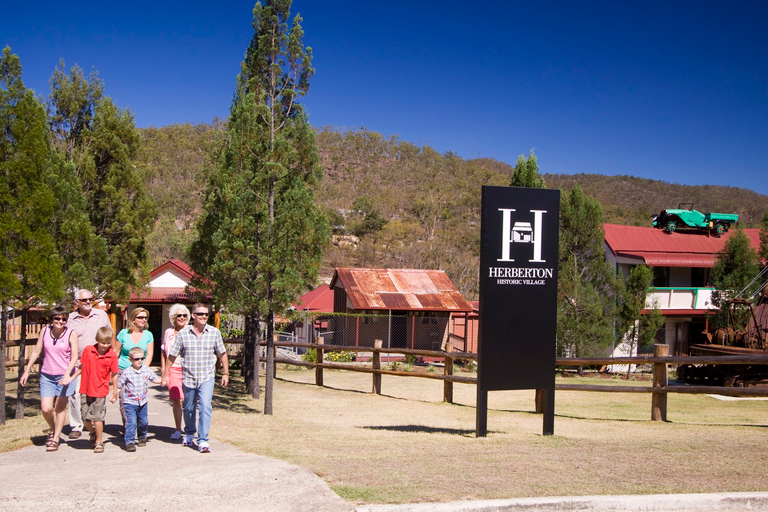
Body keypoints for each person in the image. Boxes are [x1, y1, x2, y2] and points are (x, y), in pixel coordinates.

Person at [161, 303, 228, 453]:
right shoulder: (184, 334)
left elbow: (222, 353)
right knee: (188, 408)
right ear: (194, 316)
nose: (204, 316)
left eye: (206, 314)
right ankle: (190, 432)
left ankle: (203, 440)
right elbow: (172, 355)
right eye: (200, 314)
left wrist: (225, 373)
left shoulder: (214, 332)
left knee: (205, 406)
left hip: (207, 377)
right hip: (189, 377)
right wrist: (165, 373)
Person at [19, 306, 79, 452]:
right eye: (57, 318)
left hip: (65, 375)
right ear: (52, 319)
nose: (60, 321)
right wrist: (26, 371)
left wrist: (67, 373)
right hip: (47, 374)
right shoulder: (45, 331)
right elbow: (36, 351)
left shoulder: (71, 333)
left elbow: (75, 356)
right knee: (46, 409)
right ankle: (54, 429)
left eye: (64, 319)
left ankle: (56, 438)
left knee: (59, 407)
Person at [65, 289, 112, 440]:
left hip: (99, 362)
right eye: (84, 300)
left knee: (97, 394)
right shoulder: (70, 318)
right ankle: (76, 426)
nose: (87, 302)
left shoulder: (101, 315)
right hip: (77, 361)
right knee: (75, 394)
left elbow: (110, 336)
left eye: (89, 299)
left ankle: (97, 419)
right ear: (76, 302)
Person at [69, 326, 118, 453]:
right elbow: (81, 367)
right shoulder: (88, 350)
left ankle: (99, 441)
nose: (105, 345)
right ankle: (92, 433)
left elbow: (115, 373)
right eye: (102, 343)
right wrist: (71, 378)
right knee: (85, 418)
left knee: (97, 418)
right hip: (85, 388)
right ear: (97, 340)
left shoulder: (111, 355)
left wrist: (114, 391)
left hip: (100, 390)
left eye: (108, 343)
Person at [115, 307, 154, 426]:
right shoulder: (123, 333)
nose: (144, 319)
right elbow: (116, 352)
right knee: (124, 401)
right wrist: (111, 370)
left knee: (138, 400)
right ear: (133, 319)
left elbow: (149, 354)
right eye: (141, 317)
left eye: (145, 317)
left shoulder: (148, 335)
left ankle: (137, 425)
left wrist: (144, 370)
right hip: (123, 370)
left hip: (139, 373)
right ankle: (129, 426)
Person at [118, 347, 160, 452]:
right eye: (136, 359)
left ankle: (142, 437)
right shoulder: (127, 372)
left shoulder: (146, 370)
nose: (140, 361)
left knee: (143, 421)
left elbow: (154, 379)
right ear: (130, 360)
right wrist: (114, 394)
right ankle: (130, 442)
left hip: (143, 401)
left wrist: (164, 380)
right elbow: (119, 384)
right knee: (131, 422)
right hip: (130, 402)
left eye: (142, 358)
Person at [161, 303, 190, 440]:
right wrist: (164, 371)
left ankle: (189, 429)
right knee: (177, 400)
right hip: (173, 368)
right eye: (179, 315)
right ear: (174, 317)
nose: (182, 318)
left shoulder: (191, 331)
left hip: (189, 368)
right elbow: (163, 351)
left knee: (188, 400)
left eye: (185, 315)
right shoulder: (168, 332)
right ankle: (178, 429)